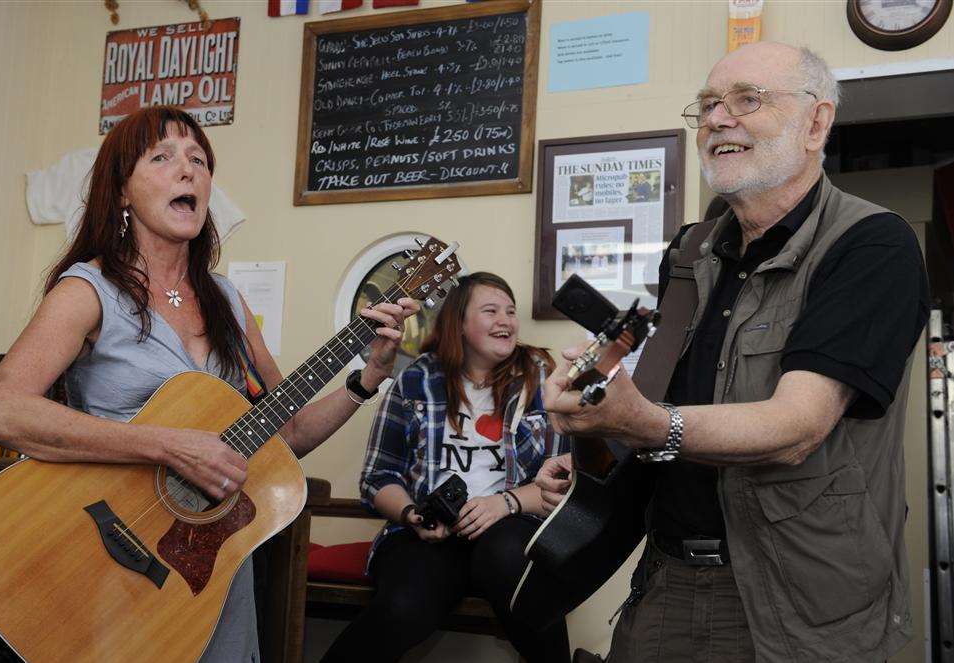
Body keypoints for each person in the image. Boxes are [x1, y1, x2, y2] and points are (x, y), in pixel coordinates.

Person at [0, 106, 418, 663]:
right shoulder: (88, 290)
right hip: (100, 548)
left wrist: (366, 380)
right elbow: (2, 412)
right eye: (162, 158)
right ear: (123, 192)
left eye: (199, 161)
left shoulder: (228, 302)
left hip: (204, 570)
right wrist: (172, 446)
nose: (188, 171)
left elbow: (287, 434)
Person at [536, 42, 929, 663]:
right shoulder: (690, 252)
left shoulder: (873, 246)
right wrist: (594, 440)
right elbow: (663, 392)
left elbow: (795, 427)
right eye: (710, 104)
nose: (720, 119)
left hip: (796, 602)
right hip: (664, 579)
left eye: (748, 99)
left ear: (816, 123)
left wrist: (641, 423)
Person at [321, 272, 571, 663]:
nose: (505, 320)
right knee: (403, 605)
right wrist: (411, 514)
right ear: (459, 323)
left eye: (511, 311)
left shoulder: (539, 379)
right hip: (429, 535)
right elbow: (378, 477)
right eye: (491, 311)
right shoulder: (418, 379)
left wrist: (504, 503)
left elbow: (561, 484)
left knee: (515, 568)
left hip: (510, 528)